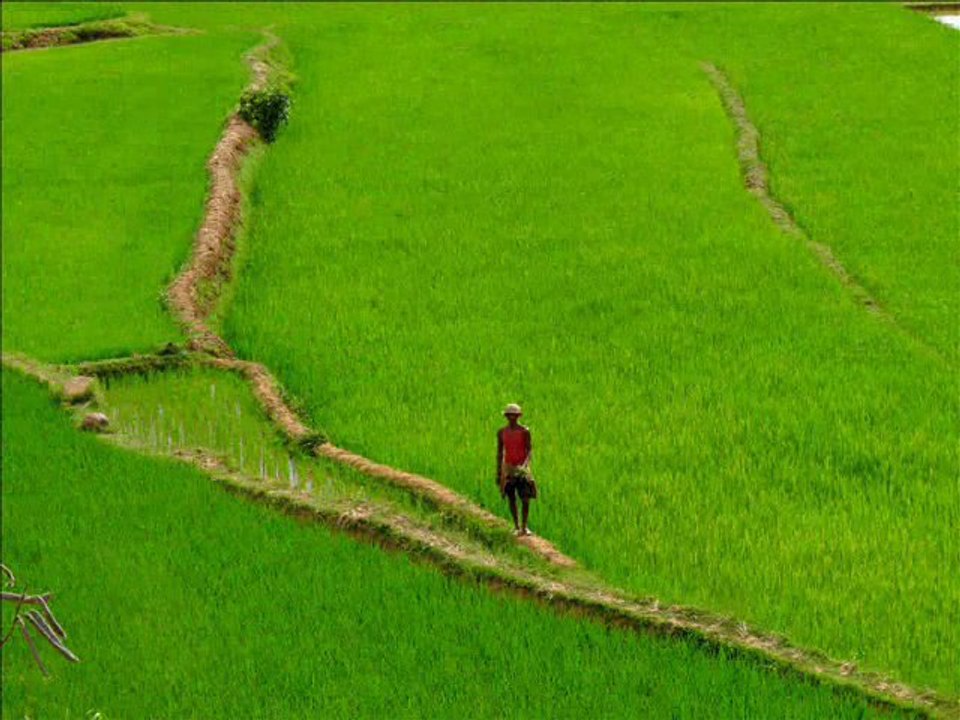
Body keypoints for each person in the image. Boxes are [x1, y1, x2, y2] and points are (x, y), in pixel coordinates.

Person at [496, 403, 538, 536]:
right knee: (511, 497)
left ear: (519, 416)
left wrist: (525, 465)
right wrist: (499, 471)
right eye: (509, 415)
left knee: (525, 498)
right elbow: (499, 451)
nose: (512, 418)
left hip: (522, 468)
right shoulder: (502, 432)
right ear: (506, 416)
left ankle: (524, 527)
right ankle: (516, 525)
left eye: (514, 415)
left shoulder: (525, 431)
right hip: (508, 467)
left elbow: (529, 450)